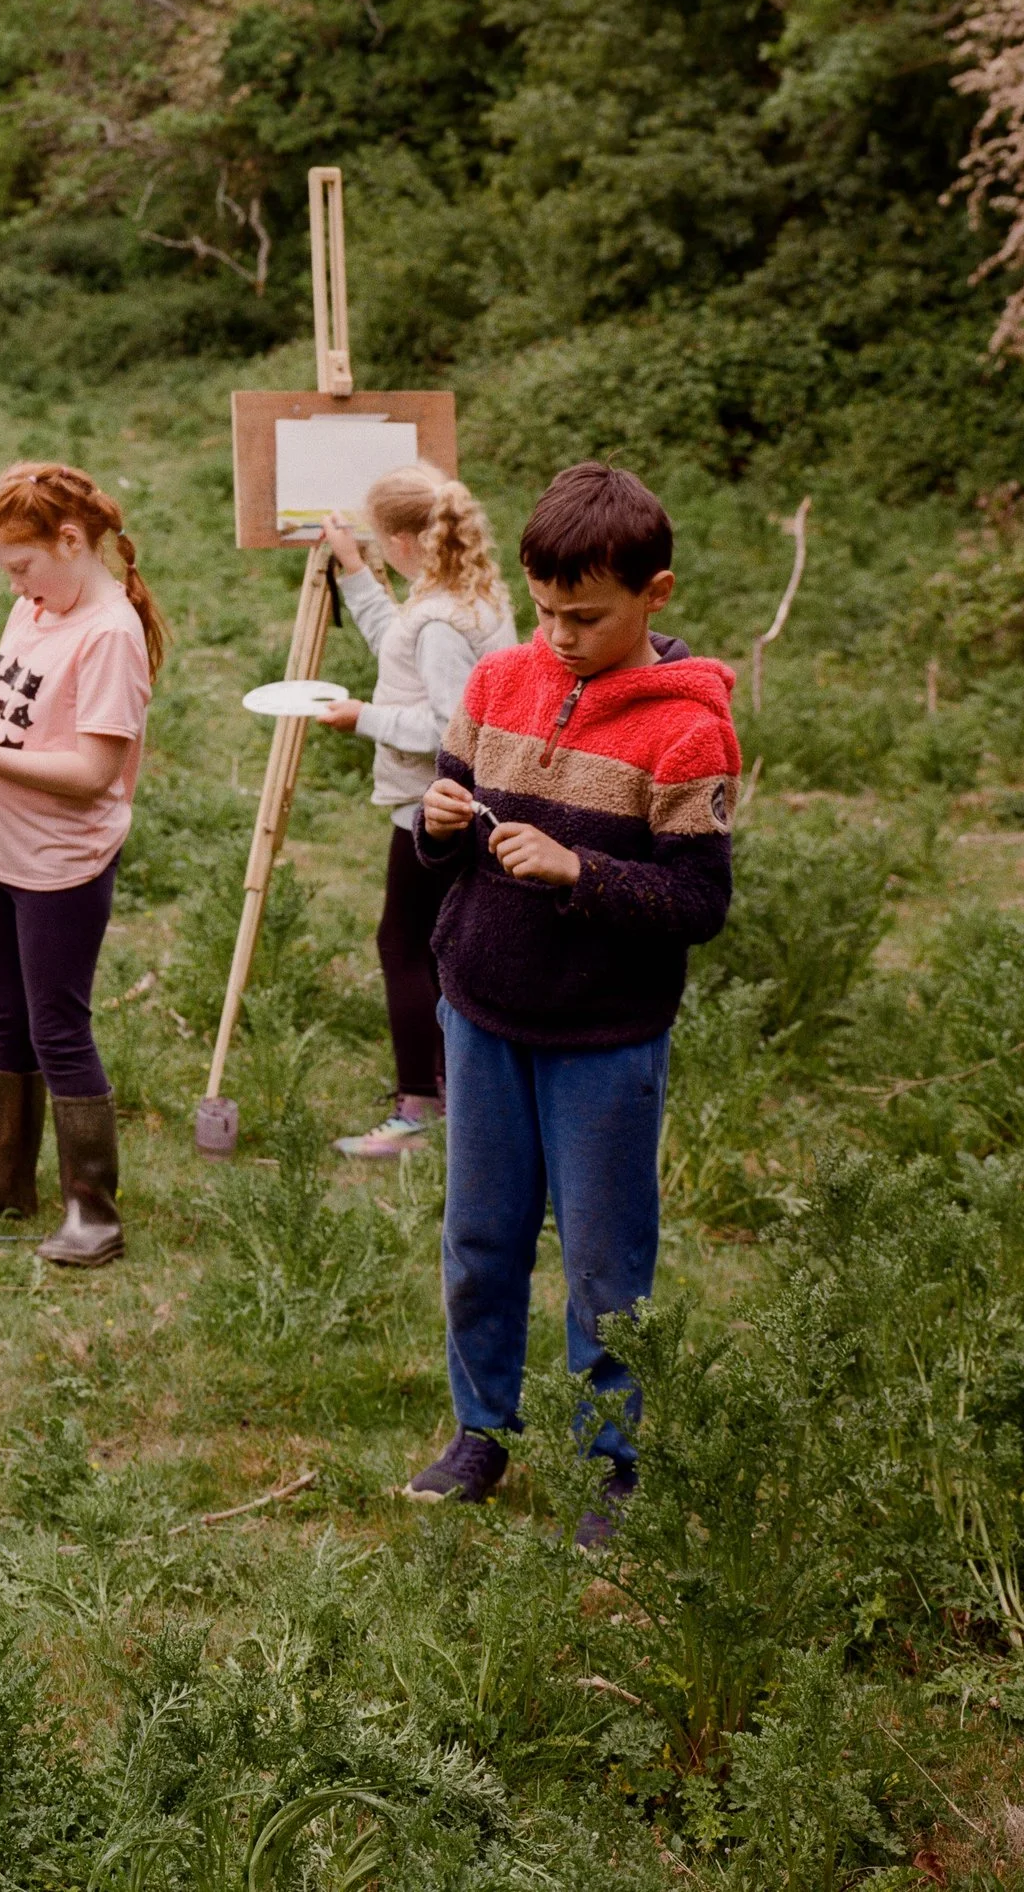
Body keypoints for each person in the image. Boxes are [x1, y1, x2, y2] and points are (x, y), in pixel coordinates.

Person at [405, 462, 737, 1546]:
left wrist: (580, 874)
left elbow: (696, 901)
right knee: (479, 1242)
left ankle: (613, 1467)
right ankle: (481, 1433)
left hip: (602, 1040)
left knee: (604, 1268)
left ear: (657, 594)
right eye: (543, 609)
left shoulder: (689, 734)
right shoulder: (497, 682)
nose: (557, 635)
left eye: (585, 617)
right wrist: (437, 822)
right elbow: (430, 847)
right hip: (482, 1013)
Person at [0, 460, 166, 1268]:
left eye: (22, 565)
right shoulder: (35, 608)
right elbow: (28, 732)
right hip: (0, 848)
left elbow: (91, 771)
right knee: (3, 1018)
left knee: (58, 1029)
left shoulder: (110, 635)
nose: (16, 585)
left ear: (70, 541)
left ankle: (93, 1212)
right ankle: (0, 1182)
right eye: (5, 571)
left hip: (62, 863)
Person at [313, 468, 515, 1160]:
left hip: (436, 810)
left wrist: (360, 716)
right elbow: (397, 643)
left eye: (376, 540)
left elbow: (449, 727)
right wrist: (355, 572)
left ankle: (420, 1110)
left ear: (403, 539)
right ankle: (454, 1091)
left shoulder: (439, 621)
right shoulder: (464, 596)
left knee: (403, 947)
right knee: (437, 945)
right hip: (457, 807)